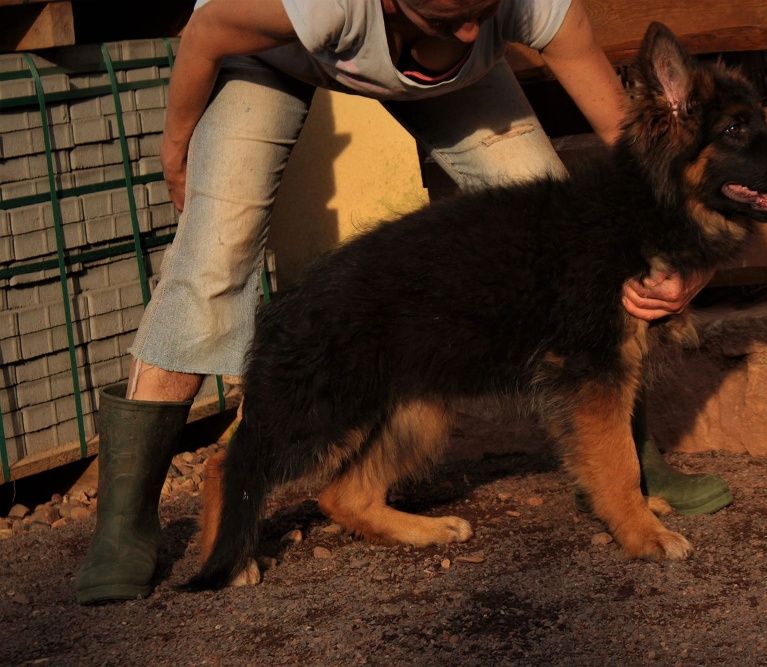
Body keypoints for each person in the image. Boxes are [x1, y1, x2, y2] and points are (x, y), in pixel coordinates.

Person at [75, 0, 731, 604]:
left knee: (570, 238)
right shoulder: (319, 3)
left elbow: (642, 151)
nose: (472, 29)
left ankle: (629, 468)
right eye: (450, 18)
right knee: (212, 260)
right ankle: (127, 517)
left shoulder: (532, 5)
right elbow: (207, 32)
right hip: (273, 62)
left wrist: (677, 260)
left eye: (481, 11)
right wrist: (173, 146)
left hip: (452, 82)